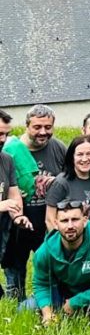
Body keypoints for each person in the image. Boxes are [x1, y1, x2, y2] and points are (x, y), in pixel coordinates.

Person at [2, 104, 67, 300]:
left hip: (47, 222)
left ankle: (49, 302)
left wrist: (57, 180)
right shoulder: (10, 151)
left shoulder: (58, 147)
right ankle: (16, 307)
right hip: (16, 223)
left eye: (48, 127)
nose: (43, 132)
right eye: (37, 127)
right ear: (27, 126)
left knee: (50, 269)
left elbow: (71, 176)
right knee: (15, 270)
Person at [26, 199, 90, 323]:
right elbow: (41, 284)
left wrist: (76, 302)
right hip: (64, 293)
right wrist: (48, 313)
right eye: (64, 221)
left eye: (75, 219)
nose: (70, 226)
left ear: (85, 221)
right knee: (26, 309)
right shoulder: (44, 251)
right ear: (56, 224)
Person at [45, 136, 90, 231]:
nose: (84, 159)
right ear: (72, 157)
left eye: (89, 154)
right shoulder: (61, 182)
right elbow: (49, 220)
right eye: (80, 154)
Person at [0, 110, 24, 271]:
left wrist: (19, 217)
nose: (2, 139)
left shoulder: (6, 159)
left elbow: (14, 196)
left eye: (6, 134)